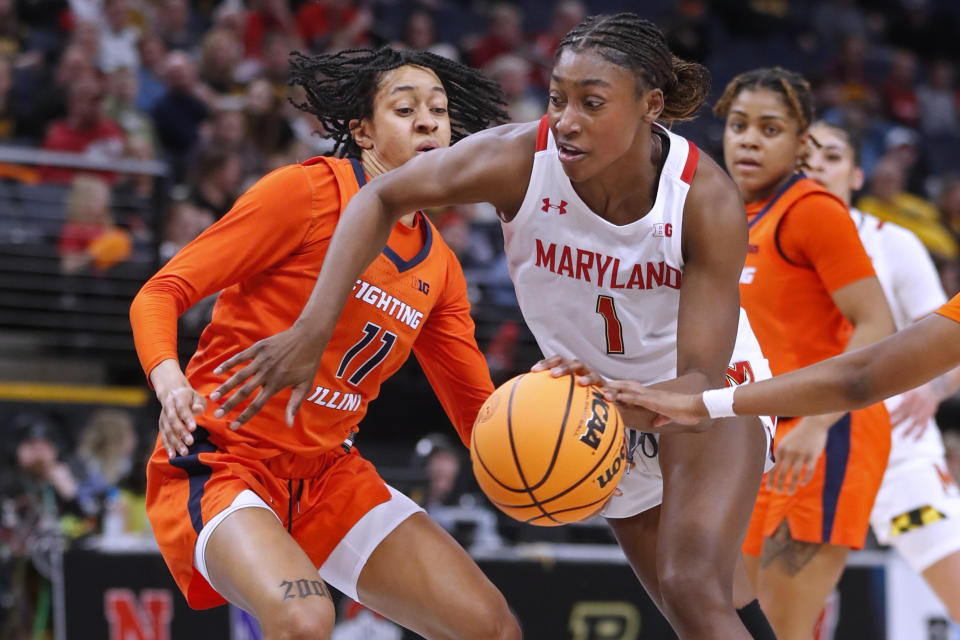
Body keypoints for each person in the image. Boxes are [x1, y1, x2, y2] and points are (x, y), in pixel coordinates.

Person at [208, 14, 779, 640]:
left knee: (691, 584)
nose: (567, 120)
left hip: (702, 395)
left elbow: (697, 378)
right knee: (698, 604)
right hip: (593, 407)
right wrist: (313, 327)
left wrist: (628, 403)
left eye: (592, 104)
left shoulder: (705, 200)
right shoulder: (520, 161)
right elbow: (380, 196)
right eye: (559, 98)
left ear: (652, 105)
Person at [129, 47, 520, 640]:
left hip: (327, 475)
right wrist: (170, 382)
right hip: (223, 458)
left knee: (490, 626)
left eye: (438, 111)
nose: (427, 122)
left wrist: (552, 419)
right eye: (406, 108)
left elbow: (480, 421)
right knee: (305, 617)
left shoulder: (440, 267)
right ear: (361, 130)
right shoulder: (307, 193)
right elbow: (159, 293)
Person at [708, 67, 896, 640]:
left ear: (801, 142)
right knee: (739, 618)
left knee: (785, 627)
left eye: (770, 128)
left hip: (827, 432)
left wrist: (817, 424)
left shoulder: (813, 209)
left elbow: (879, 325)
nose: (749, 140)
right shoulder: (727, 213)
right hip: (760, 435)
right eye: (739, 125)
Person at [802, 120, 960, 622]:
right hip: (800, 446)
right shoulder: (758, 242)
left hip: (896, 444)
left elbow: (950, 341)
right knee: (790, 612)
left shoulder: (894, 242)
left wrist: (932, 391)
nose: (815, 167)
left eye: (830, 157)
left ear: (855, 174)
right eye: (805, 157)